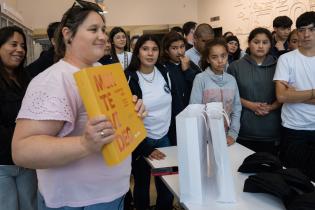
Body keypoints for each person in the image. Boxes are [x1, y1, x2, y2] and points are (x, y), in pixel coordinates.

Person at [12, 1, 145, 209]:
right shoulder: (53, 80)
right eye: (93, 29)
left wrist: (132, 114)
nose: (102, 36)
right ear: (68, 34)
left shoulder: (102, 70)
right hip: (77, 202)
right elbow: (22, 150)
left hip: (113, 195)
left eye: (104, 30)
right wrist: (84, 144)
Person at [125, 34, 174, 210]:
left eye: (154, 49)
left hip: (164, 138)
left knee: (166, 184)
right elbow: (126, 118)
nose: (150, 53)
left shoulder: (164, 72)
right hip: (141, 141)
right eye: (145, 49)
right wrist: (145, 147)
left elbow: (173, 105)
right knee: (142, 185)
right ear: (137, 52)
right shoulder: (129, 77)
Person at [273, 11, 315, 181]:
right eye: (302, 29)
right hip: (294, 128)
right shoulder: (286, 59)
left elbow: (288, 95)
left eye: (312, 30)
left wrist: (295, 94)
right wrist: (313, 92)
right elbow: (281, 96)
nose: (306, 34)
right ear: (296, 32)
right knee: (294, 179)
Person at [228, 27, 282, 153]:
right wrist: (251, 105)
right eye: (256, 42)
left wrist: (271, 107)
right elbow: (230, 96)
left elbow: (284, 95)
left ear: (271, 44)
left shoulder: (279, 65)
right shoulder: (235, 66)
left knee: (270, 170)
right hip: (244, 129)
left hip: (271, 128)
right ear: (249, 43)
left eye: (265, 42)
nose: (260, 46)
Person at [0, 26, 37, 210]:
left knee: (30, 206)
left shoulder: (26, 78)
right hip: (2, 165)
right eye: (13, 44)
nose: (20, 50)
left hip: (28, 162)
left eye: (23, 46)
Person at [190, 38, 241, 146]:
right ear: (208, 59)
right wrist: (202, 136)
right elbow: (194, 110)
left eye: (223, 56)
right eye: (214, 57)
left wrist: (233, 134)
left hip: (227, 137)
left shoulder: (232, 79)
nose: (220, 60)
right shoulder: (200, 79)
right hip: (205, 138)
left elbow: (236, 109)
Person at [160, 31, 201, 145]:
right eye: (174, 48)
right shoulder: (162, 67)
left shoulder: (189, 64)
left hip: (190, 115)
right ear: (167, 50)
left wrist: (187, 70)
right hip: (171, 118)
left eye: (182, 47)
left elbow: (199, 86)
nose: (180, 51)